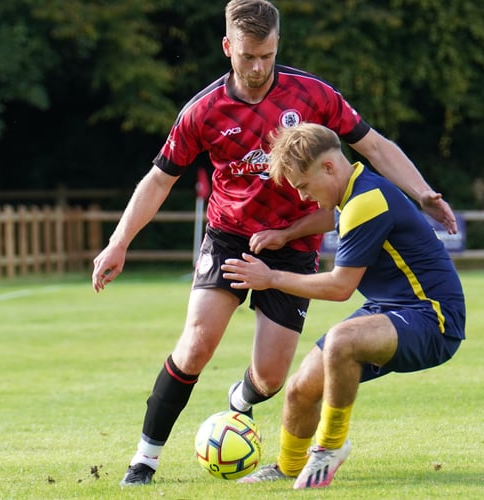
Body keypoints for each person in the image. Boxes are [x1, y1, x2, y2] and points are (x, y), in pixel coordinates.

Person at [91, 0, 458, 486]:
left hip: (294, 244)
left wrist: (423, 192)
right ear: (228, 48)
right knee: (196, 344)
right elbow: (158, 181)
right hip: (228, 236)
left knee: (270, 377)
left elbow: (373, 145)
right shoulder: (202, 111)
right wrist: (119, 242)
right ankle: (144, 460)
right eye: (247, 56)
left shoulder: (313, 94)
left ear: (277, 44)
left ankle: (239, 404)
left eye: (266, 54)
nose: (259, 66)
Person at [221, 122, 466, 489]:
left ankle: (329, 447)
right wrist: (286, 235)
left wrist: (270, 278)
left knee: (341, 341)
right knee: (300, 389)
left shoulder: (367, 201)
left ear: (330, 168)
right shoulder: (354, 193)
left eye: (304, 186)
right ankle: (288, 466)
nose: (303, 197)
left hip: (432, 318)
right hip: (390, 310)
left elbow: (340, 287)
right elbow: (326, 218)